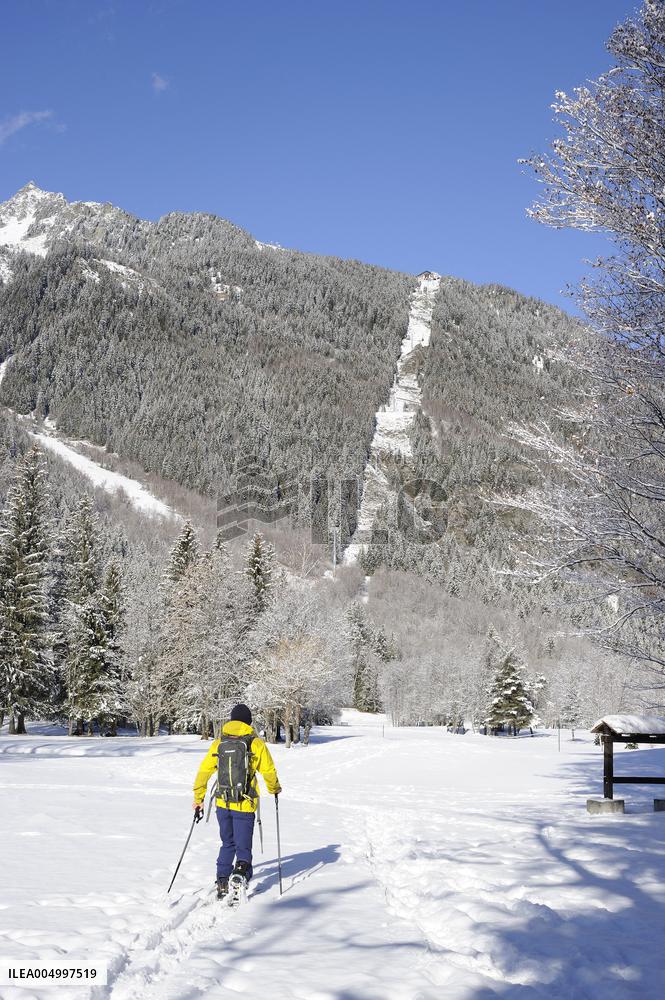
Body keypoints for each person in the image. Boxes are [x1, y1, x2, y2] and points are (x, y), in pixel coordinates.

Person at [192, 703, 281, 898]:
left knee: (227, 843)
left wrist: (198, 797)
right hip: (245, 803)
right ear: (249, 722)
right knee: (243, 847)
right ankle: (240, 875)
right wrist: (275, 789)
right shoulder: (255, 743)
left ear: (231, 720)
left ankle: (222, 881)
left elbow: (204, 771)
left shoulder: (218, 743)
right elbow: (268, 771)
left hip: (222, 804)